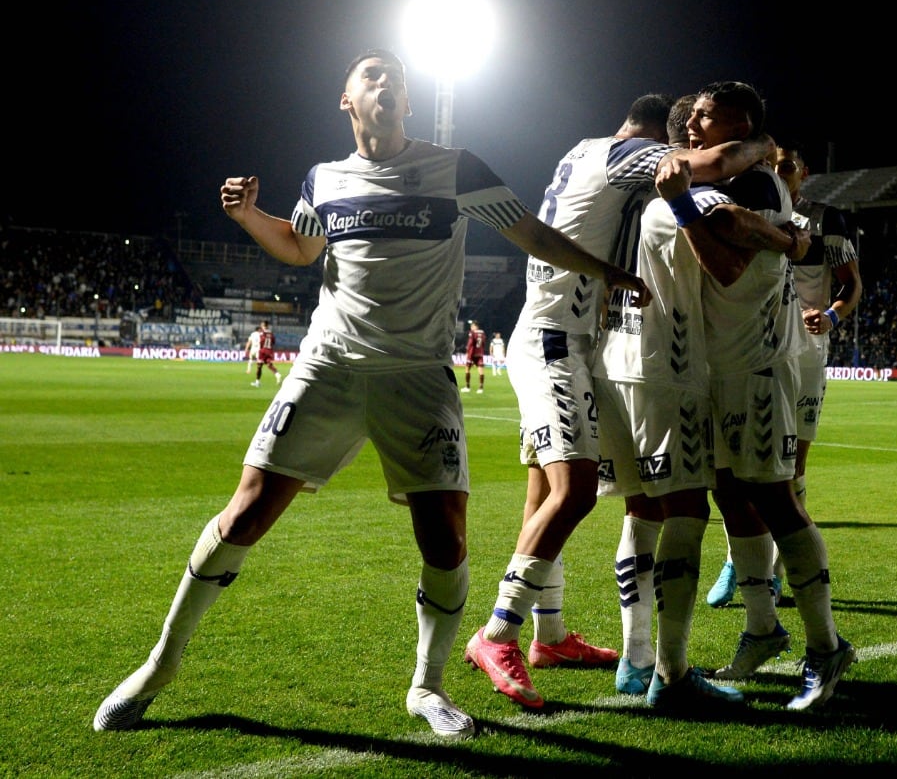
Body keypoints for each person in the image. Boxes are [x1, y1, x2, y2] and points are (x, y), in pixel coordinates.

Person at [92, 48, 649, 740]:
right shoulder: (323, 179)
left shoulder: (457, 169)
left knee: (444, 537)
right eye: (371, 76)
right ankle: (157, 667)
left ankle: (428, 684)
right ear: (347, 100)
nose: (386, 85)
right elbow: (299, 248)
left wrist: (607, 272)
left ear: (409, 105)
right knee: (244, 515)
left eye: (397, 80)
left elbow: (530, 233)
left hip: (417, 376)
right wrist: (248, 216)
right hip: (328, 366)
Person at [464, 93, 774, 710]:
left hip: (569, 338)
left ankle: (549, 636)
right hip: (558, 342)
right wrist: (762, 150)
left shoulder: (581, 150)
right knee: (576, 489)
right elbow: (706, 167)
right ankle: (497, 632)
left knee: (543, 494)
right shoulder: (627, 154)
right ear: (654, 136)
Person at [598, 95, 807, 707]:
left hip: (613, 357)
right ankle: (671, 673)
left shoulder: (609, 173)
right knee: (693, 507)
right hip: (671, 367)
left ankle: (638, 661)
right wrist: (793, 238)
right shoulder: (682, 184)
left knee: (645, 510)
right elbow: (728, 235)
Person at [680, 81, 856, 711]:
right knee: (733, 496)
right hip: (720, 367)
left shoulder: (753, 180)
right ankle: (761, 627)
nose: (693, 123)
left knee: (778, 502)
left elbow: (726, 258)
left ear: (741, 123)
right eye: (692, 114)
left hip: (755, 367)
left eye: (706, 114)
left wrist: (680, 204)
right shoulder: (738, 177)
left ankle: (826, 647)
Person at [705, 144, 862, 610]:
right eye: (771, 165)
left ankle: (769, 572)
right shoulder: (748, 208)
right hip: (750, 344)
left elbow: (852, 283)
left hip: (806, 351)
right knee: (731, 469)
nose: (778, 171)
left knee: (789, 468)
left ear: (803, 173)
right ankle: (741, 556)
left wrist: (832, 316)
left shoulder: (825, 218)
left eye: (787, 165)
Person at [249, 319, 281, 387]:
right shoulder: (271, 333)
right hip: (269, 351)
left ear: (263, 325)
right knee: (269, 365)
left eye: (261, 325)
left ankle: (257, 382)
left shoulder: (261, 333)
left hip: (263, 351)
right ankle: (277, 374)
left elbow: (260, 341)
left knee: (259, 366)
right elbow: (273, 342)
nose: (261, 326)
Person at [462, 319, 486, 393]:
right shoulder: (482, 333)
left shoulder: (472, 333)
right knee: (481, 371)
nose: (471, 327)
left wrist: (467, 351)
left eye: (472, 326)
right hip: (480, 353)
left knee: (467, 369)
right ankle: (481, 388)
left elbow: (470, 343)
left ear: (476, 326)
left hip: (472, 353)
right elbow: (484, 342)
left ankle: (467, 387)